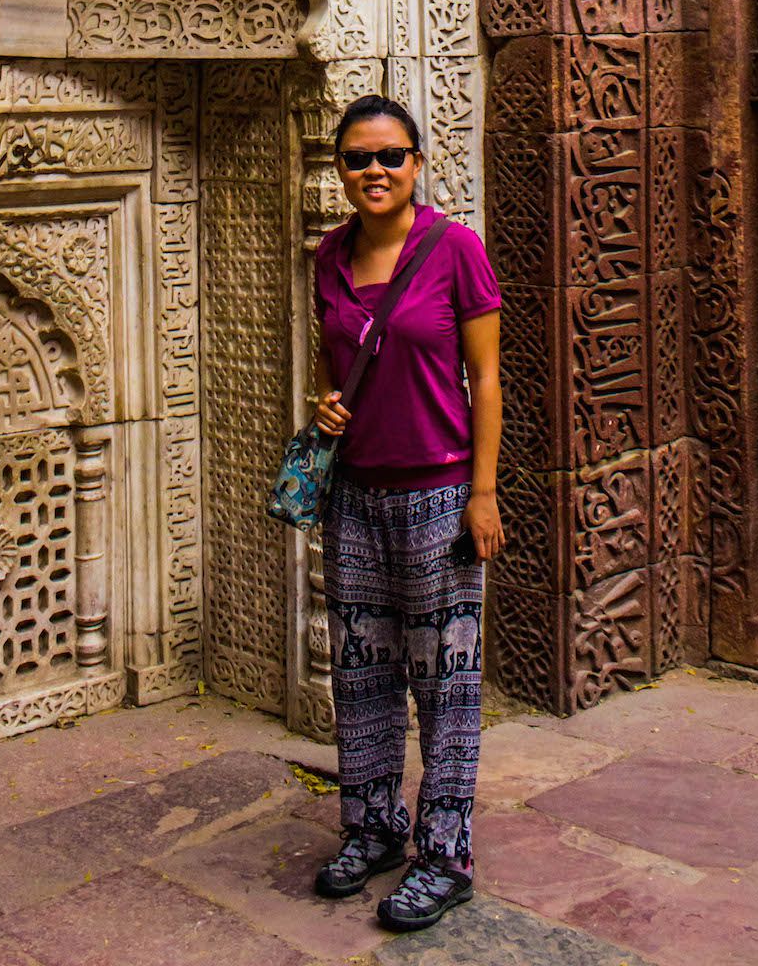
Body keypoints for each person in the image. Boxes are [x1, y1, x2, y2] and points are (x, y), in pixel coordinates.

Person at [311, 93, 503, 932]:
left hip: (439, 492)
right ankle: (374, 827)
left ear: (417, 164)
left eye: (391, 156)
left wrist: (485, 491)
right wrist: (325, 409)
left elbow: (487, 381)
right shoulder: (329, 257)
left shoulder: (456, 251)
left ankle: (445, 853)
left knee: (446, 682)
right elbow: (338, 365)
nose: (375, 172)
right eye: (358, 159)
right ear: (341, 170)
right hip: (355, 493)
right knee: (360, 675)